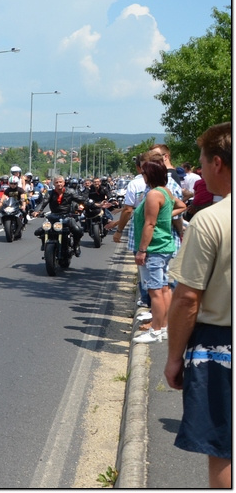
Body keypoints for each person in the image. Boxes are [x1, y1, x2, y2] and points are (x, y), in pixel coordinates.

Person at [164, 122, 231, 488]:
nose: (200, 171)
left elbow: (187, 298)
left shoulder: (210, 221)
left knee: (224, 447)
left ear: (218, 164)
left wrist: (175, 357)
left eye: (203, 164)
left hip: (221, 346)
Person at [131, 157, 186, 343]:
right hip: (164, 245)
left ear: (150, 175)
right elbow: (182, 205)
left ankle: (156, 330)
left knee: (155, 290)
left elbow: (150, 223)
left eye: (144, 173)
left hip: (154, 247)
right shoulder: (167, 192)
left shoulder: (154, 194)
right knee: (163, 288)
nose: (142, 175)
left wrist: (142, 250)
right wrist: (166, 216)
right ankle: (163, 326)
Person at [34, 176, 86, 253]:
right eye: (57, 182)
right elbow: (43, 202)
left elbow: (81, 199)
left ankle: (76, 245)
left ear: (64, 183)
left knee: (78, 231)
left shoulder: (70, 192)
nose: (59, 184)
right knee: (39, 231)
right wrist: (37, 211)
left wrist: (83, 206)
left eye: (60, 182)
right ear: (54, 184)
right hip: (53, 216)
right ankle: (44, 243)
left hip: (67, 217)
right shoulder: (50, 193)